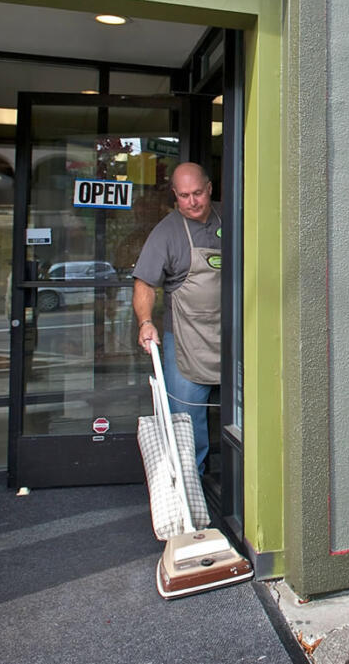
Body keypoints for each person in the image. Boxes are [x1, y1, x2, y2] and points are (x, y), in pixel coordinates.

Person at [134, 162, 222, 474]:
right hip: (186, 340)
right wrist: (146, 322)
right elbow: (144, 283)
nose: (192, 202)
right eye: (184, 196)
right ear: (175, 195)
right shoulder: (167, 232)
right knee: (185, 419)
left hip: (233, 336)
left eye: (197, 193)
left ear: (209, 188)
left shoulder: (233, 217)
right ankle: (190, 485)